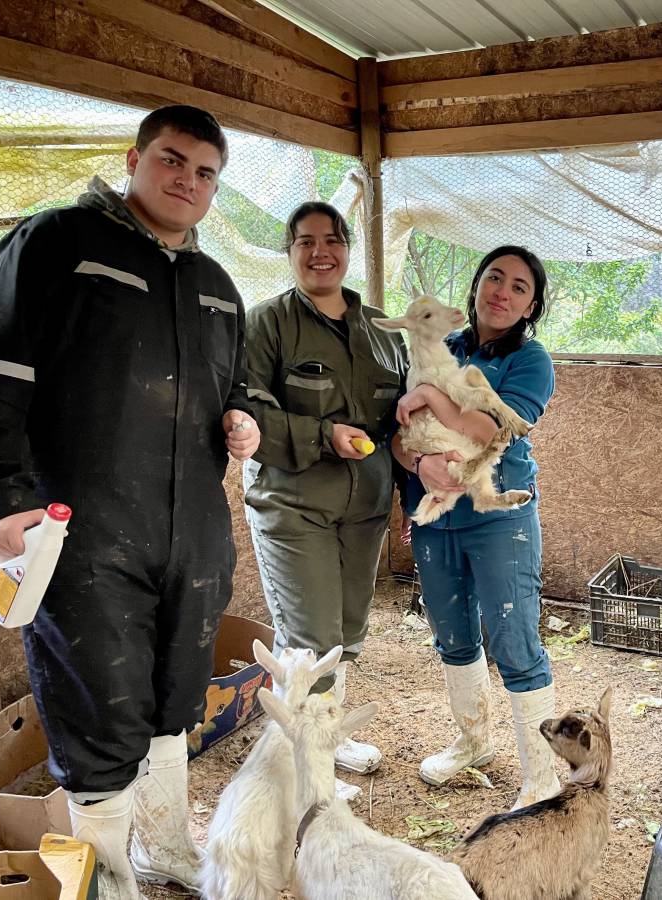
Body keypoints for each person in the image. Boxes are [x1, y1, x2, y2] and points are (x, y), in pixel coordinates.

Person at [0, 105, 259, 899]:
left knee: (174, 694)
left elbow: (243, 384)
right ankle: (110, 878)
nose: (187, 182)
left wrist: (245, 416)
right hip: (84, 526)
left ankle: (163, 847)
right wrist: (1, 493)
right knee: (99, 702)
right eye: (172, 160)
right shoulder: (56, 244)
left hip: (192, 529)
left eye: (205, 173)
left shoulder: (216, 285)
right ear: (134, 159)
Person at [242, 202, 407, 794]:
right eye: (305, 242)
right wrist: (322, 435)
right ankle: (304, 767)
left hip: (363, 507)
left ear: (347, 249)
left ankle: (323, 733)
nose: (320, 252)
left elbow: (402, 419)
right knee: (308, 639)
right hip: (294, 504)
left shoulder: (384, 332)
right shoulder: (267, 324)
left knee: (342, 636)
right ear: (289, 252)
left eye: (332, 240)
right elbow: (248, 411)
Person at [391, 246, 559, 811]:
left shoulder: (529, 362)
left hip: (496, 519)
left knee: (513, 639)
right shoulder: (442, 348)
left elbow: (484, 429)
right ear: (476, 285)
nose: (502, 292)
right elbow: (398, 432)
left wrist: (430, 396)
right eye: (494, 277)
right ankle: (473, 741)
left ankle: (542, 774)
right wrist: (419, 463)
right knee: (452, 633)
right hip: (436, 514)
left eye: (518, 287)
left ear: (531, 305)